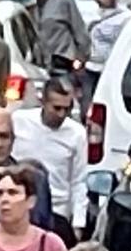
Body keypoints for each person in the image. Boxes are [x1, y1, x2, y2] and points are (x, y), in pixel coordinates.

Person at [10, 79, 89, 239]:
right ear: (43, 102)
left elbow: (79, 181)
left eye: (67, 109)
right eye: (56, 108)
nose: (61, 114)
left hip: (57, 211)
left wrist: (78, 223)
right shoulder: (18, 120)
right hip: (19, 205)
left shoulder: (77, 133)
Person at [27, 0, 90, 74]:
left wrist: (80, 60)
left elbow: (80, 32)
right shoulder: (29, 3)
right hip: (38, 64)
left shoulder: (64, 0)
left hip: (62, 61)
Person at [85, 0, 131, 88]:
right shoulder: (95, 15)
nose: (97, 1)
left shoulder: (124, 18)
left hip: (109, 67)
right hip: (92, 66)